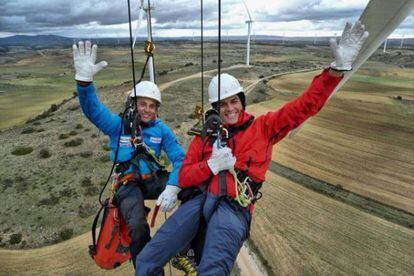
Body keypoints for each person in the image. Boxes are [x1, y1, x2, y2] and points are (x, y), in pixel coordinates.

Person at [134, 21, 369, 275]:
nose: (229, 108)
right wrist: (211, 165)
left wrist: (334, 73)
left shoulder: (263, 128)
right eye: (222, 105)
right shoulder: (205, 138)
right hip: (200, 200)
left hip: (234, 208)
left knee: (213, 270)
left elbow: (303, 107)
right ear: (216, 109)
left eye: (234, 101)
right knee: (147, 260)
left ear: (242, 102)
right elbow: (187, 174)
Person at [72, 41, 185, 268]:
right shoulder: (117, 126)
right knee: (138, 226)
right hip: (127, 185)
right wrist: (84, 84)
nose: (147, 109)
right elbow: (93, 110)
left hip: (152, 179)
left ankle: (185, 250)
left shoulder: (161, 130)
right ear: (133, 104)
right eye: (142, 104)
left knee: (196, 189)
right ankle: (148, 271)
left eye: (152, 106)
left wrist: (174, 186)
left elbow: (180, 159)